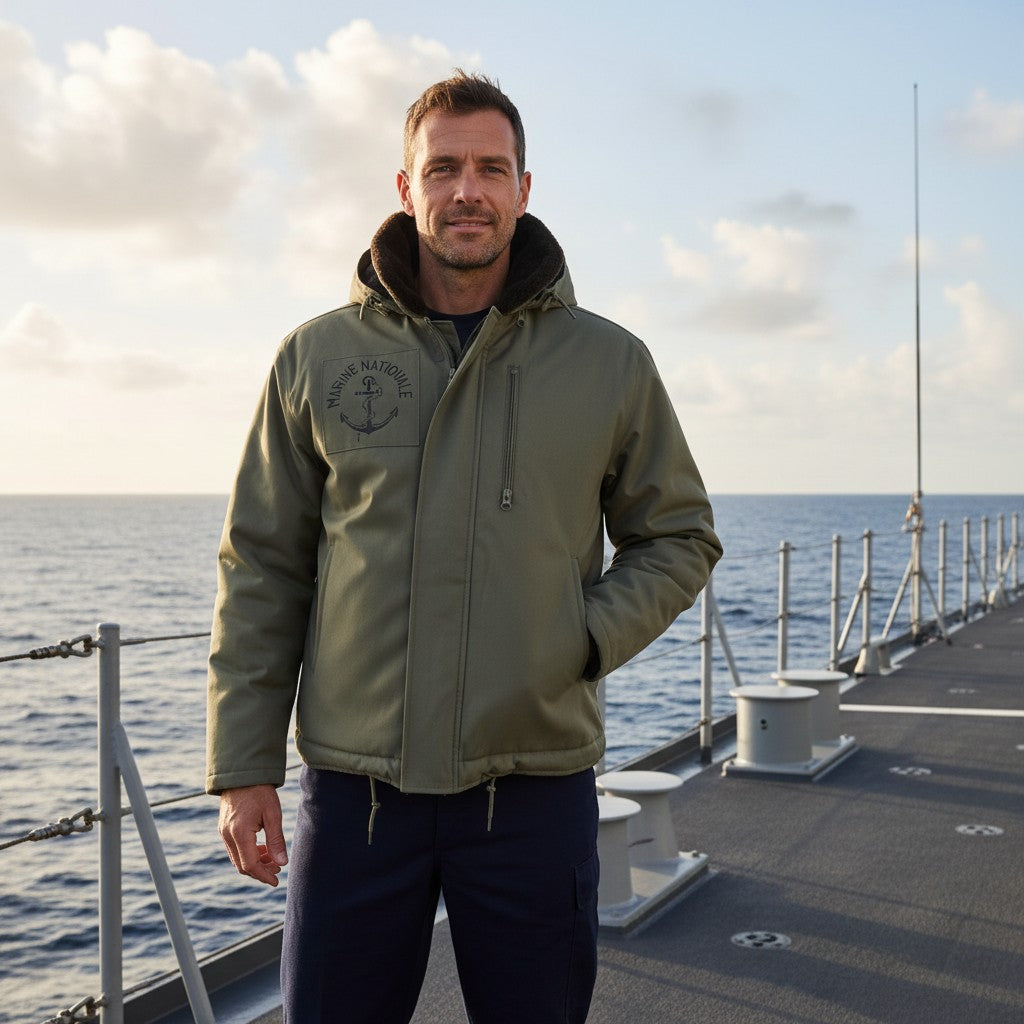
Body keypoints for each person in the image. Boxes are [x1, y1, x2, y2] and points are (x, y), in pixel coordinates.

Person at [207, 70, 722, 1024]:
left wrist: (579, 635)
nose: (467, 190)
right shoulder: (314, 357)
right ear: (405, 188)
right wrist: (244, 768)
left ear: (526, 189)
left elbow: (679, 534)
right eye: (443, 167)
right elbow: (264, 567)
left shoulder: (609, 362)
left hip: (531, 791)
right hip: (356, 796)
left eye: (491, 168)